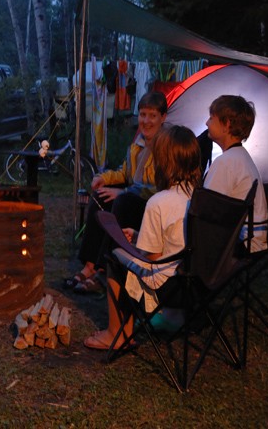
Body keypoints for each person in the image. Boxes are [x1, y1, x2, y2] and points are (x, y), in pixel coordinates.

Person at [84, 125, 201, 350]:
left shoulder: (159, 202)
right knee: (128, 247)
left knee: (114, 256)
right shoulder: (198, 196)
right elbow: (176, 240)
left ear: (164, 163)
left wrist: (132, 248)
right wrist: (139, 236)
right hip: (193, 278)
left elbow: (153, 257)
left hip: (166, 283)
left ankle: (117, 334)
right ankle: (173, 317)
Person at [66, 91, 168, 293]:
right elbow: (125, 172)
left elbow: (161, 188)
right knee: (101, 197)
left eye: (152, 116)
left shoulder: (166, 146)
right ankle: (89, 265)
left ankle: (105, 270)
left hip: (152, 206)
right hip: (133, 197)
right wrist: (105, 178)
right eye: (142, 114)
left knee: (122, 202)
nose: (146, 121)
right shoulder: (137, 143)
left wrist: (123, 193)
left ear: (163, 118)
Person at [203, 95, 268, 252]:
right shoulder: (241, 157)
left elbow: (206, 210)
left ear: (226, 125)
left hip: (241, 243)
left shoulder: (226, 163)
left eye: (211, 118)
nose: (206, 123)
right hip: (252, 239)